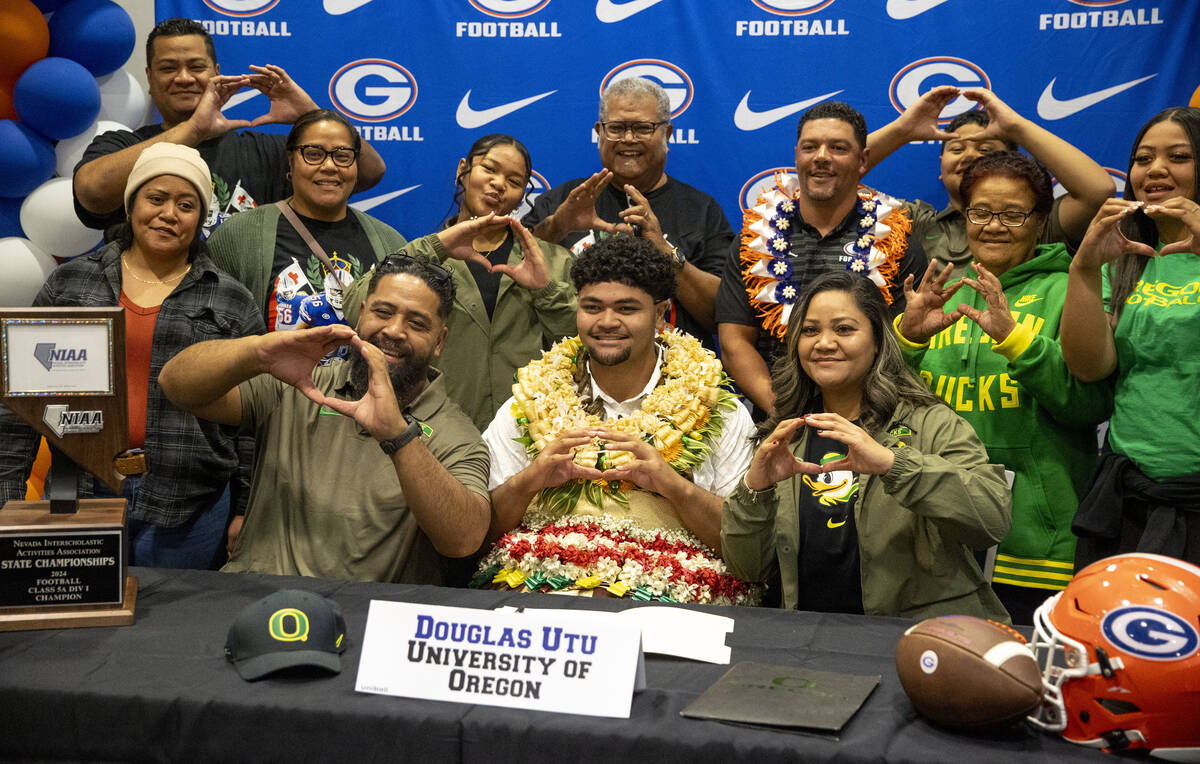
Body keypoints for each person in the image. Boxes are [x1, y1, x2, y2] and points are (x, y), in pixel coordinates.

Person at [0, 143, 264, 569]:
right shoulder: (70, 284)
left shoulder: (232, 300)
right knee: (78, 628)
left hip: (191, 502)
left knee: (173, 633)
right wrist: (7, 496)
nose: (168, 214)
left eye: (186, 204)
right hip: (79, 491)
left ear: (201, 218)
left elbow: (254, 416)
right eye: (155, 199)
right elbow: (19, 403)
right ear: (131, 204)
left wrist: (244, 506)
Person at [158, 255, 491, 584]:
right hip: (256, 600)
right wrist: (257, 353)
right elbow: (176, 386)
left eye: (417, 324)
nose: (394, 330)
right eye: (383, 312)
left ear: (440, 341)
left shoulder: (456, 433)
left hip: (363, 622)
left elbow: (463, 540)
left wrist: (398, 435)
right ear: (361, 314)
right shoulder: (301, 382)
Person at [475, 236, 759, 605]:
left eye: (627, 309)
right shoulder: (530, 399)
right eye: (592, 307)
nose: (607, 322)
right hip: (543, 607)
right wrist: (532, 479)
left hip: (673, 615)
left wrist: (672, 485)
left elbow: (748, 550)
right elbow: (478, 534)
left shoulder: (719, 408)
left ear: (660, 315)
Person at [895, 151, 1113, 623]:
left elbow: (1089, 404)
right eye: (981, 212)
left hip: (1034, 548)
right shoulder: (944, 293)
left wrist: (1015, 340)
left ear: (1040, 222)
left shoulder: (1070, 290)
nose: (994, 225)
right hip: (938, 536)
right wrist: (907, 339)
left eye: (1013, 214)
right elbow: (891, 408)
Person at [721, 270, 1011, 619]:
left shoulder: (929, 422)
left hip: (918, 640)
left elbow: (992, 519)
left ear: (877, 342)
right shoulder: (787, 434)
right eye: (810, 331)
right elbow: (747, 569)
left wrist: (894, 464)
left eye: (844, 329)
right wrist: (756, 490)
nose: (824, 343)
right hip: (806, 641)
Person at [72, 17, 385, 238]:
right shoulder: (122, 145)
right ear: (150, 78)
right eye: (168, 68)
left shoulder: (269, 152)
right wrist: (193, 130)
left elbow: (371, 172)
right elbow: (91, 192)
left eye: (196, 67)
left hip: (248, 317)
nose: (183, 77)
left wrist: (314, 116)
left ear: (216, 73)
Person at [344, 135, 575, 432]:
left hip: (529, 436)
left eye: (514, 181)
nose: (499, 184)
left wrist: (545, 290)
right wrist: (435, 248)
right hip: (437, 431)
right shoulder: (423, 254)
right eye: (489, 169)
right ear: (462, 169)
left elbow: (581, 346)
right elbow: (355, 310)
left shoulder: (554, 260)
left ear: (522, 195)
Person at [717, 101, 928, 415]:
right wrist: (784, 414)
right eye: (810, 147)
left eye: (838, 148)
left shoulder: (894, 239)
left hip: (873, 422)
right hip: (777, 418)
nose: (821, 158)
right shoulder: (754, 238)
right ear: (797, 155)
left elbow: (900, 344)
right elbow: (735, 343)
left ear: (863, 159)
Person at [1060, 106, 1200, 565]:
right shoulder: (1126, 257)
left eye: (1178, 156)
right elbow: (1090, 366)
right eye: (1143, 158)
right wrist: (1082, 268)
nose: (1155, 169)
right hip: (1128, 494)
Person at [522, 77, 732, 348]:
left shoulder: (702, 211)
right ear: (599, 132)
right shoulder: (562, 201)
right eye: (617, 128)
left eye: (643, 128)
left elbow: (724, 314)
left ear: (667, 134)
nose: (628, 139)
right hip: (570, 377)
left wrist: (664, 250)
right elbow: (515, 289)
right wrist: (556, 228)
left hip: (677, 380)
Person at [206, 109, 406, 333]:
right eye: (313, 154)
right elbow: (214, 338)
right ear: (291, 162)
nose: (329, 166)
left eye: (342, 156)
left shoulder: (391, 244)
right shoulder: (238, 237)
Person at [867, 87, 1115, 264]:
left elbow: (1098, 191)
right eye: (957, 148)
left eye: (985, 149)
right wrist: (902, 131)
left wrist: (1016, 127)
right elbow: (839, 183)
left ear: (1011, 164)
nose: (969, 156)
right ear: (941, 167)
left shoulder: (1036, 222)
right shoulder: (918, 222)